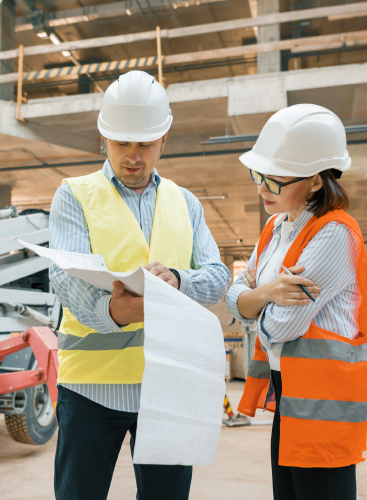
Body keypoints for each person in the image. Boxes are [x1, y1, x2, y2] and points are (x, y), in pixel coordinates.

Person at [49, 70, 231, 500]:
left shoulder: (186, 203)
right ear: (104, 139)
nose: (133, 155)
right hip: (92, 387)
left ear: (164, 140)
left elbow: (218, 273)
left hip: (168, 384)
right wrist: (115, 313)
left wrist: (179, 281)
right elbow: (65, 278)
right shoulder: (74, 194)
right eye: (121, 144)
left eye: (145, 144)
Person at [226, 104, 366, 500]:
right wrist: (267, 294)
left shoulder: (335, 234)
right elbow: (234, 295)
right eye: (259, 176)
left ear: (318, 181)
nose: (260, 189)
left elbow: (279, 327)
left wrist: (252, 300)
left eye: (274, 181)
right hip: (287, 387)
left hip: (324, 398)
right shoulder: (275, 228)